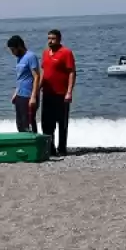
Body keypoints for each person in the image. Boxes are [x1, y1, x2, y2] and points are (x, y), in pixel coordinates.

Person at [40, 29, 75, 157]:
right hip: (47, 93)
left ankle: (62, 148)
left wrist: (69, 91)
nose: (50, 41)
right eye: (49, 38)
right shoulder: (45, 53)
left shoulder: (66, 52)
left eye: (53, 38)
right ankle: (51, 148)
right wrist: (38, 88)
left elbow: (71, 72)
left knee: (62, 123)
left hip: (61, 93)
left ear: (59, 39)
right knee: (47, 122)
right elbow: (43, 72)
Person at [7, 35, 40, 133]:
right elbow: (21, 78)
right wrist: (16, 93)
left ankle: (34, 145)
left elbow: (37, 76)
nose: (12, 53)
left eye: (13, 50)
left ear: (19, 46)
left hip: (29, 96)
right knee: (20, 123)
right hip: (20, 96)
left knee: (28, 123)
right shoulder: (19, 59)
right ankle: (23, 147)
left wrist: (33, 96)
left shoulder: (31, 56)